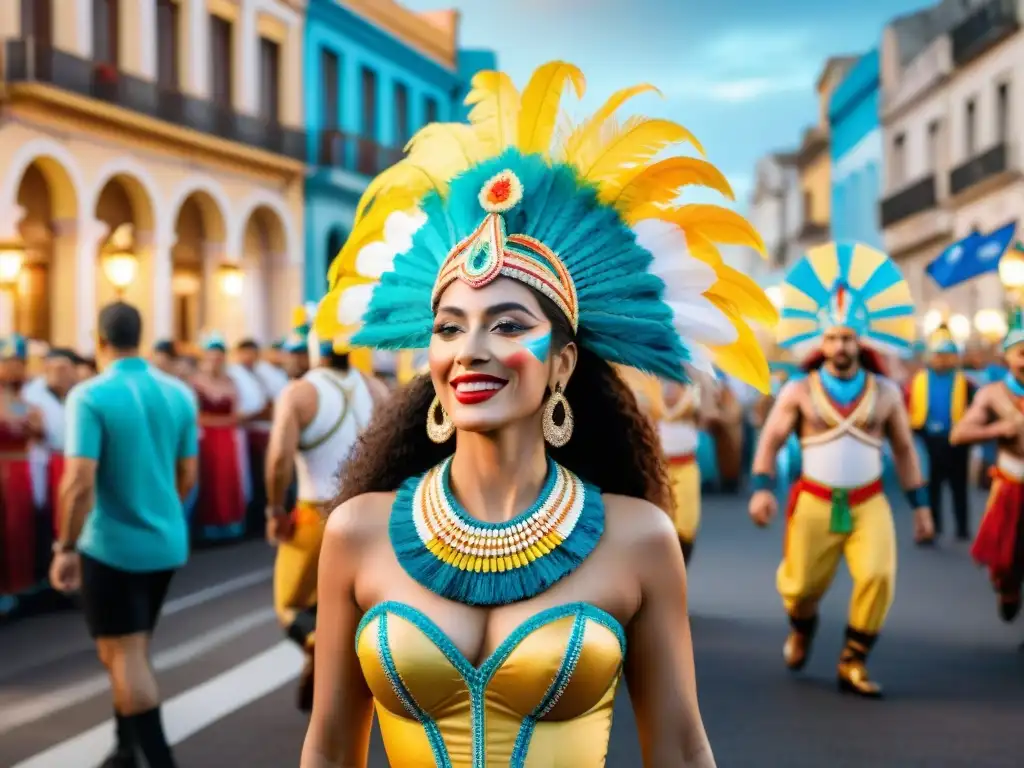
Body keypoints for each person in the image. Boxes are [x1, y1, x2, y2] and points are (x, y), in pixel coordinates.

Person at [300, 61, 774, 768]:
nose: (471, 351)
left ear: (562, 363)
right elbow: (333, 747)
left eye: (509, 325)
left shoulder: (640, 538)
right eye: (450, 327)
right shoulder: (356, 533)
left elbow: (677, 747)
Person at [749, 242, 932, 698]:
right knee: (800, 587)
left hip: (869, 501)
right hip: (814, 501)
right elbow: (770, 440)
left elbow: (905, 451)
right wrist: (761, 488)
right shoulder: (799, 390)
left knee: (878, 575)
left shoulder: (886, 391)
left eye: (848, 338)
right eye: (832, 338)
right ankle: (801, 627)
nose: (840, 346)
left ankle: (853, 660)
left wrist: (921, 506)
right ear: (821, 342)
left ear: (860, 342)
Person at [49, 301, 198, 768]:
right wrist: (158, 507)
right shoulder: (178, 393)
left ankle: (157, 758)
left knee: (126, 655)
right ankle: (124, 748)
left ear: (98, 341)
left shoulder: (88, 395)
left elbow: (77, 484)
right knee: (129, 647)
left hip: (109, 546)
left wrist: (65, 547)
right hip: (165, 542)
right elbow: (187, 473)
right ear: (139, 336)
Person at [265, 337, 388, 711]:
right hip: (364, 512)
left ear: (316, 348)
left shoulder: (299, 393)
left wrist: (274, 509)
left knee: (290, 604)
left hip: (313, 512)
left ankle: (318, 643)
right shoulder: (375, 387)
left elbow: (278, 461)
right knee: (349, 600)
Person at [950, 308, 1024, 625]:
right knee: (1007, 564)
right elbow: (959, 434)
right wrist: (997, 430)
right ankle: (1008, 592)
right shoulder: (992, 395)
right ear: (1008, 357)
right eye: (1022, 354)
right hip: (1010, 488)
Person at [906, 324, 976, 541]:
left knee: (959, 486)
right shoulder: (919, 380)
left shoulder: (965, 382)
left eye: (947, 355)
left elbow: (974, 412)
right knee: (932, 486)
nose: (942, 360)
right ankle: (933, 525)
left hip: (957, 439)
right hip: (929, 439)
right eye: (938, 355)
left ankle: (962, 527)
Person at [190, 332, 247, 542]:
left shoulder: (230, 381)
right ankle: (208, 526)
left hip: (227, 438)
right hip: (208, 438)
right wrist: (222, 421)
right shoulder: (196, 383)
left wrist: (228, 422)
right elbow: (196, 416)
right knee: (210, 478)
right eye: (211, 356)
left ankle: (229, 524)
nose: (215, 361)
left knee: (228, 479)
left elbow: (236, 411)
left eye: (218, 357)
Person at [0, 334, 44, 604]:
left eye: (19, 362)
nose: (14, 368)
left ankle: (18, 587)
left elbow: (40, 430)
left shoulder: (29, 398)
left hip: (22, 470)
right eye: (8, 362)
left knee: (19, 527)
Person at [22, 347, 77, 536]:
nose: (60, 374)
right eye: (55, 368)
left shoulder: (77, 394)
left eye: (65, 369)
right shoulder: (30, 394)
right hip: (42, 462)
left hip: (69, 463)